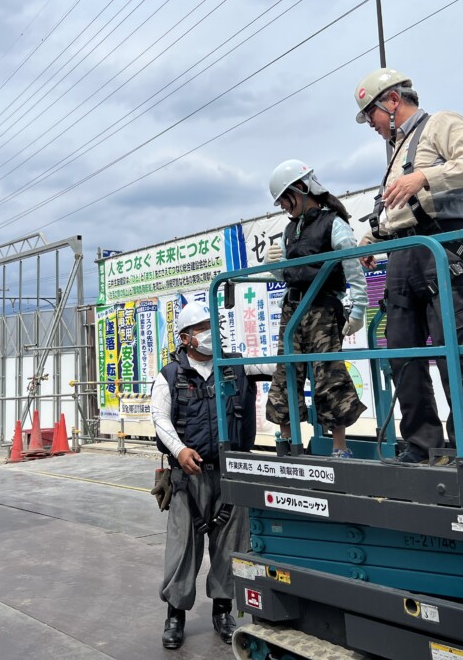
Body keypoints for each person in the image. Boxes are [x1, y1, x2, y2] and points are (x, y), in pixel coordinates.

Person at [353, 67, 463, 464]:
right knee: (403, 355)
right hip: (403, 254)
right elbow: (400, 214)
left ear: (392, 101)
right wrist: (372, 239)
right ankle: (421, 445)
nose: (371, 124)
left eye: (371, 114)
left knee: (456, 354)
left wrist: (424, 178)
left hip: (443, 248)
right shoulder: (397, 149)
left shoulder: (441, 123)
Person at [151, 300, 256, 650]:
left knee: (231, 546)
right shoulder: (169, 376)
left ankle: (223, 611)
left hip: (229, 473)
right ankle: (175, 615)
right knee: (183, 547)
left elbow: (275, 365)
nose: (210, 333)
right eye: (201, 328)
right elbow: (159, 418)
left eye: (213, 326)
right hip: (188, 477)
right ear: (185, 338)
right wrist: (179, 450)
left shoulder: (235, 366)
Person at [264, 160, 368, 458]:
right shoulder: (289, 229)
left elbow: (352, 266)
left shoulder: (333, 223)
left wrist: (358, 308)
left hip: (323, 308)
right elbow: (287, 275)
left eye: (285, 199)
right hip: (293, 309)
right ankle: (287, 444)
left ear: (300, 188)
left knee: (329, 375)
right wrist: (273, 266)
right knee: (286, 374)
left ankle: (339, 447)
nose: (283, 206)